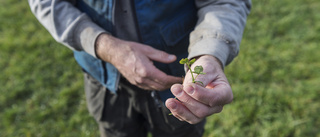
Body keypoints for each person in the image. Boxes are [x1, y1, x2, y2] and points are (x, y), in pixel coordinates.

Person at [28, 0, 251, 136]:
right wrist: (104, 46)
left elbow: (224, 1)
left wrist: (210, 52)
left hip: (176, 82)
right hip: (104, 80)